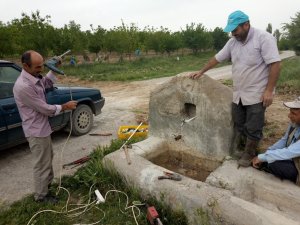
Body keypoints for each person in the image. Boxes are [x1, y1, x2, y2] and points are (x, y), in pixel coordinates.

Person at [190, 10, 281, 167]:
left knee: (254, 125)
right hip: (239, 93)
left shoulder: (263, 38)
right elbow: (217, 58)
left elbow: (275, 64)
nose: (233, 34)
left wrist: (268, 91)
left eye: (235, 30)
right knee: (239, 122)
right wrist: (201, 71)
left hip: (257, 93)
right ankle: (243, 147)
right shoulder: (233, 42)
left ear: (246, 25)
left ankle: (250, 153)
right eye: (231, 31)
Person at [13, 50, 77, 203]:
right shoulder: (23, 86)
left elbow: (46, 82)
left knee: (47, 159)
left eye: (42, 66)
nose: (40, 70)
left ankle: (46, 188)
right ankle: (41, 196)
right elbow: (44, 109)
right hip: (36, 131)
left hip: (42, 129)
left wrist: (53, 68)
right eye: (37, 67)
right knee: (41, 164)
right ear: (25, 66)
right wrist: (64, 107)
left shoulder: (34, 77)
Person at [252, 97, 300, 186]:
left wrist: (263, 157)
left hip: (297, 166)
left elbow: (289, 152)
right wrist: (268, 152)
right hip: (293, 159)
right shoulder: (294, 124)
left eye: (294, 113)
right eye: (290, 112)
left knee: (274, 164)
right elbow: (284, 140)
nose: (289, 115)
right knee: (269, 157)